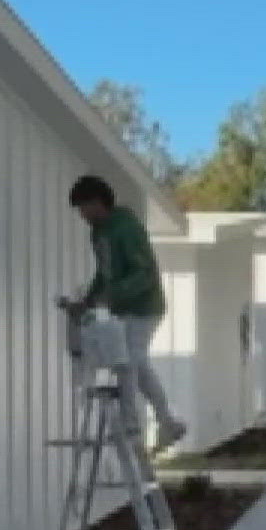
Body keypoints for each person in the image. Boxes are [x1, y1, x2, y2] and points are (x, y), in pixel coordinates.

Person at [64, 174, 187, 452]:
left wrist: (113, 294)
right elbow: (105, 272)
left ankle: (133, 428)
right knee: (137, 364)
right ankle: (167, 422)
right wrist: (89, 299)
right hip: (124, 309)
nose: (82, 214)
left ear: (98, 202)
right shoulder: (98, 230)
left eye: (84, 207)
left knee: (128, 362)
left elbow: (144, 273)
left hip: (145, 306)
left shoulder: (127, 228)